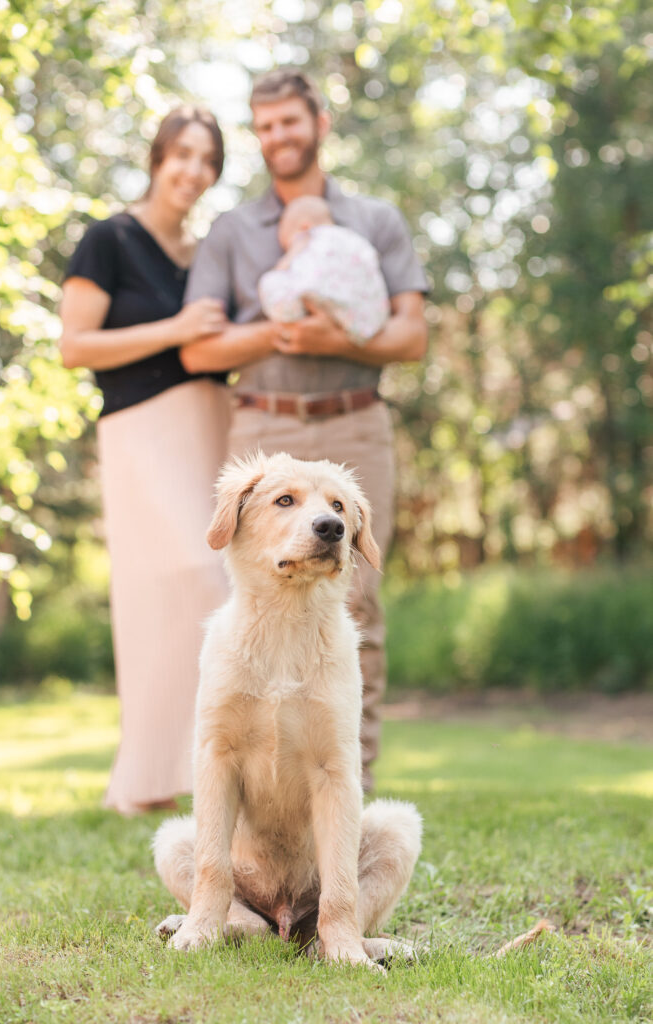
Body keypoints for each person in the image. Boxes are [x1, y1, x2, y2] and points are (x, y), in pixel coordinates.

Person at [179, 71, 429, 791]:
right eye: (263, 127)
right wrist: (278, 332)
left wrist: (337, 341)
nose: (277, 137)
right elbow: (200, 350)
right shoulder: (230, 232)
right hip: (262, 425)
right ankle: (254, 788)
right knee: (251, 599)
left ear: (319, 121)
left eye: (289, 121)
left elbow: (410, 336)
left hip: (352, 422)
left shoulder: (375, 222)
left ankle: (350, 787)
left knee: (357, 607)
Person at [59, 106, 280, 814]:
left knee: (216, 582)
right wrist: (175, 329)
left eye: (207, 159)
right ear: (157, 157)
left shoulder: (205, 250)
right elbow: (75, 346)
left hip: (214, 420)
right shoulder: (108, 239)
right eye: (181, 154)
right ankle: (148, 779)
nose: (193, 170)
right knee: (182, 579)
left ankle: (209, 774)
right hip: (142, 427)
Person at [258, 195, 390, 344]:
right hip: (368, 320)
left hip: (318, 298)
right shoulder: (355, 240)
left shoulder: (307, 239)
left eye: (287, 243)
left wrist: (284, 263)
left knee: (270, 281)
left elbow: (288, 272)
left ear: (304, 227)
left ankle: (287, 322)